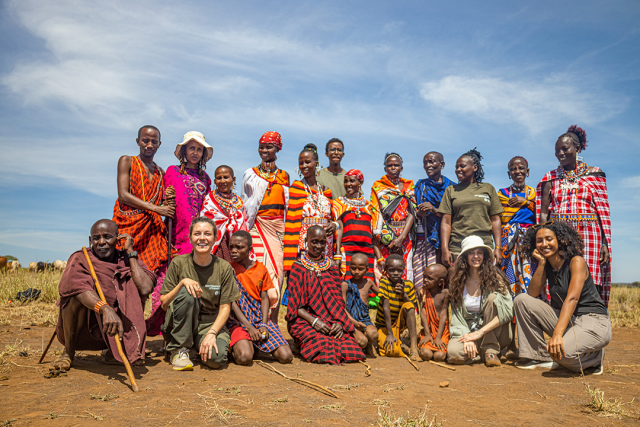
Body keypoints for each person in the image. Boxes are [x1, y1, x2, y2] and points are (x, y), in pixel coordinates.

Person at [51, 219, 155, 371]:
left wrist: (131, 253)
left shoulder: (126, 259)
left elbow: (145, 288)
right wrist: (104, 308)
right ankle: (68, 352)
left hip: (116, 328)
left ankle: (115, 352)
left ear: (118, 239)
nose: (101, 242)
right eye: (96, 238)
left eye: (107, 237)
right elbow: (74, 286)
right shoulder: (81, 258)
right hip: (87, 325)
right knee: (72, 296)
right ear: (90, 240)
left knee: (135, 288)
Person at [514, 221, 611, 374]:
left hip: (593, 320)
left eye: (549, 239)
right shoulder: (547, 265)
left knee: (562, 356)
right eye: (539, 241)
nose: (544, 244)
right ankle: (539, 356)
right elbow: (532, 294)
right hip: (569, 321)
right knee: (521, 300)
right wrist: (541, 264)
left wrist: (557, 335)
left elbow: (572, 299)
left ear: (561, 240)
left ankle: (595, 358)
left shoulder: (576, 262)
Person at [147, 131, 213, 335]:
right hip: (175, 235)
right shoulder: (172, 171)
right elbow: (164, 201)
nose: (195, 152)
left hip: (198, 238)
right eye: (191, 148)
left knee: (197, 283)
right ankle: (165, 331)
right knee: (171, 281)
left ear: (203, 154)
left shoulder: (206, 179)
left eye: (199, 149)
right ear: (184, 151)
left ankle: (192, 331)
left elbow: (208, 207)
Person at [537, 125, 611, 307]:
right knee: (561, 277)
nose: (560, 154)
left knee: (589, 278)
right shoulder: (550, 177)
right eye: (557, 151)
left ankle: (591, 318)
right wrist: (542, 238)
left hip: (590, 236)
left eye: (565, 149)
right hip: (560, 237)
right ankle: (562, 320)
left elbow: (602, 211)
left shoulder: (595, 174)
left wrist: (604, 244)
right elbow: (544, 212)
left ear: (577, 149)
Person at [160, 217, 240, 371]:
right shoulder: (179, 263)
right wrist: (182, 283)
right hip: (180, 323)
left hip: (208, 325)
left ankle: (196, 346)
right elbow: (164, 304)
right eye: (197, 234)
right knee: (189, 292)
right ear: (190, 237)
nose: (202, 238)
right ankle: (180, 349)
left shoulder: (223, 267)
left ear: (215, 238)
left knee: (216, 360)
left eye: (207, 234)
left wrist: (212, 333)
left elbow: (225, 308)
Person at [286, 226, 365, 365]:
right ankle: (302, 344)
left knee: (352, 348)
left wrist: (339, 322)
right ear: (306, 241)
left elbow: (338, 302)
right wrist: (314, 321)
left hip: (329, 319)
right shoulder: (298, 267)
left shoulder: (332, 266)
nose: (318, 246)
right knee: (321, 343)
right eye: (314, 241)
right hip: (303, 319)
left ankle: (305, 345)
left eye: (322, 242)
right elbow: (295, 307)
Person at [241, 132, 290, 320]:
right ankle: (252, 318)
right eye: (261, 146)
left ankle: (273, 323)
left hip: (278, 230)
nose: (264, 150)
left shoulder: (284, 176)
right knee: (255, 272)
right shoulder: (249, 174)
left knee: (277, 275)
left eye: (269, 146)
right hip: (255, 227)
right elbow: (245, 202)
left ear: (278, 148)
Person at [113, 125, 173, 274]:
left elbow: (160, 202)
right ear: (138, 141)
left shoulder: (161, 172)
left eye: (154, 141)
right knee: (122, 265)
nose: (150, 145)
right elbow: (123, 195)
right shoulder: (127, 161)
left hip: (151, 230)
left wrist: (169, 201)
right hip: (128, 224)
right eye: (145, 140)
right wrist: (157, 209)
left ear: (159, 144)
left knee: (149, 270)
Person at [447, 235, 514, 367]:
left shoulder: (495, 278)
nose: (476, 256)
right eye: (471, 253)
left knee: (493, 298)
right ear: (465, 257)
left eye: (479, 253)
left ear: (485, 256)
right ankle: (481, 353)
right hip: (469, 330)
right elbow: (457, 316)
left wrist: (480, 333)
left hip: (495, 331)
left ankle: (490, 349)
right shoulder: (457, 282)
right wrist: (467, 337)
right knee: (454, 354)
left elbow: (508, 311)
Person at [227, 231, 293, 365]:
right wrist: (249, 327)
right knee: (244, 358)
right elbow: (232, 303)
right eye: (231, 247)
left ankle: (254, 344)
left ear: (250, 249)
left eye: (239, 247)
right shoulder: (228, 269)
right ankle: (242, 345)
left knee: (286, 356)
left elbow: (264, 299)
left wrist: (264, 324)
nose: (234, 250)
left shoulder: (260, 269)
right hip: (239, 322)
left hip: (259, 319)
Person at [439, 148, 504, 267]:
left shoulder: (488, 188)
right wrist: (444, 249)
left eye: (462, 166)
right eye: (456, 167)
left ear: (475, 167)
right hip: (458, 247)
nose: (458, 170)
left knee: (484, 284)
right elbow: (446, 222)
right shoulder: (451, 191)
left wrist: (498, 247)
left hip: (484, 247)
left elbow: (495, 220)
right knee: (458, 284)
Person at [283, 144, 337, 272]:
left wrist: (335, 224)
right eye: (301, 163)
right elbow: (290, 221)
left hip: (326, 243)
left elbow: (334, 218)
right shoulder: (295, 189)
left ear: (316, 163)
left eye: (307, 162)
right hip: (305, 243)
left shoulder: (326, 191)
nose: (304, 166)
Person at [370, 153, 417, 281]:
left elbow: (412, 212)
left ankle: (405, 299)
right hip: (385, 236)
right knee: (386, 270)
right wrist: (387, 237)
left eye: (396, 165)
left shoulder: (409, 186)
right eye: (389, 165)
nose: (393, 167)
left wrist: (401, 238)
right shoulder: (378, 186)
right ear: (385, 168)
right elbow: (375, 213)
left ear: (401, 168)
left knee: (405, 269)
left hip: (405, 234)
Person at [413, 152, 454, 289]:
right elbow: (416, 213)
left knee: (447, 274)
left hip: (448, 236)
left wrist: (434, 210)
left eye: (431, 162)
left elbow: (455, 214)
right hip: (426, 237)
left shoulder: (452, 188)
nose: (428, 165)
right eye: (425, 162)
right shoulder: (421, 185)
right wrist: (420, 212)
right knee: (429, 276)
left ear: (442, 164)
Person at [333, 169, 382, 280]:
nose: (348, 184)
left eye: (352, 181)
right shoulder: (339, 204)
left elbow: (372, 233)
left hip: (367, 251)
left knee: (368, 285)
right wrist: (337, 255)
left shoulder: (369, 206)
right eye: (345, 181)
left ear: (360, 183)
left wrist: (379, 258)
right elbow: (339, 230)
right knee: (347, 283)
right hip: (347, 249)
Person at [499, 156, 537, 296]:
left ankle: (529, 307)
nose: (517, 171)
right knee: (509, 274)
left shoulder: (534, 194)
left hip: (529, 239)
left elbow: (541, 212)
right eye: (513, 169)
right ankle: (511, 312)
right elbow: (497, 218)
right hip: (508, 240)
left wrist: (525, 202)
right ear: (509, 174)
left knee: (531, 272)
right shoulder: (502, 194)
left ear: (527, 171)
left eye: (521, 168)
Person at [375, 254, 420, 361]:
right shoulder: (384, 282)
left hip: (399, 325)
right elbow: (386, 308)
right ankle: (398, 342)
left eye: (399, 270)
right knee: (392, 351)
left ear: (403, 270)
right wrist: (390, 334)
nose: (396, 273)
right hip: (384, 326)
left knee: (408, 305)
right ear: (386, 270)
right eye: (392, 270)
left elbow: (412, 308)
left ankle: (414, 348)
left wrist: (404, 295)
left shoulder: (408, 285)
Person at [201, 165, 249, 262]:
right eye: (219, 178)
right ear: (215, 181)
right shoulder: (209, 199)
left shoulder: (238, 201)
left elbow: (244, 224)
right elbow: (204, 224)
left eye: (226, 177)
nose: (222, 181)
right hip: (217, 245)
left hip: (236, 246)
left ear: (233, 179)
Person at [340, 252, 379, 355]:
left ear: (367, 269)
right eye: (353, 268)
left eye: (360, 269)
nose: (356, 272)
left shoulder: (369, 283)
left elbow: (382, 296)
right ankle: (358, 341)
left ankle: (367, 341)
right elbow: (342, 308)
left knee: (374, 335)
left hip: (365, 320)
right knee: (362, 342)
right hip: (350, 321)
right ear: (349, 268)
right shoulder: (345, 285)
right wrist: (354, 323)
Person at [417, 264, 450, 362]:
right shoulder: (421, 291)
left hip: (441, 332)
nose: (425, 280)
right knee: (426, 354)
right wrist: (427, 334)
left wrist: (438, 337)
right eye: (424, 277)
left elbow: (444, 315)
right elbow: (422, 312)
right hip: (428, 330)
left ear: (440, 282)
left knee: (439, 356)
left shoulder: (445, 293)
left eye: (429, 278)